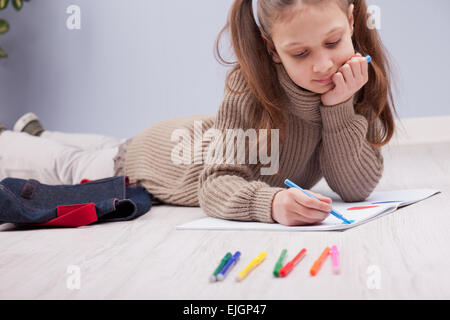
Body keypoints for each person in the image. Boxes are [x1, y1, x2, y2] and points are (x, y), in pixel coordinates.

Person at [0, 0, 397, 226]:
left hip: (196, 134)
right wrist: (271, 205)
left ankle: (38, 132)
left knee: (107, 144)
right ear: (272, 49)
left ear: (349, 19)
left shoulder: (354, 82)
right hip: (160, 158)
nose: (324, 65)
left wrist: (338, 108)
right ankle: (17, 138)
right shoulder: (249, 85)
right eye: (300, 53)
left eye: (333, 41)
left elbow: (355, 188)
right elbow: (215, 185)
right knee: (79, 164)